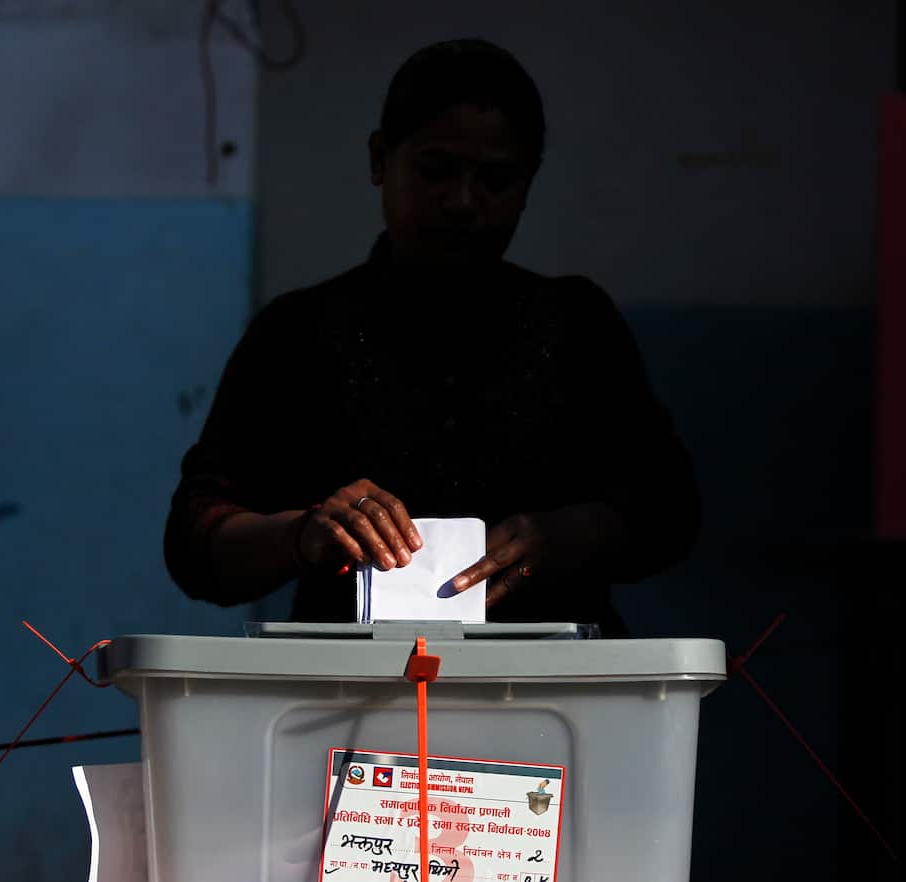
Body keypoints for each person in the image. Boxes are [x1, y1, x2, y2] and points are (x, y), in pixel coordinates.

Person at [164, 39, 698, 637]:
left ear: (529, 182)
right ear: (378, 160)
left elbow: (670, 513)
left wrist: (565, 536)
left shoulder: (576, 325)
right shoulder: (299, 332)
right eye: (436, 170)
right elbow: (194, 544)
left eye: (497, 178)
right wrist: (305, 533)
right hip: (347, 701)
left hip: (558, 701)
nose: (464, 202)